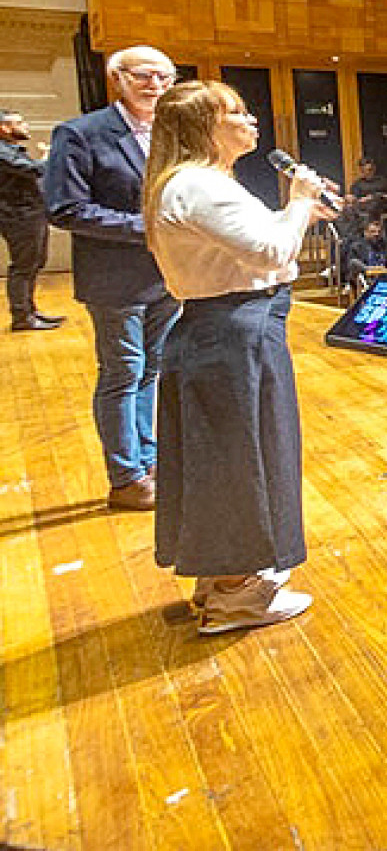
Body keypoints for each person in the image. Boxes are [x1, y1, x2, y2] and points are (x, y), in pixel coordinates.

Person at [144, 80, 331, 634]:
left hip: (221, 328)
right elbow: (272, 251)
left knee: (229, 456)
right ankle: (235, 596)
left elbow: (255, 244)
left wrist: (294, 217)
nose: (252, 121)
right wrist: (297, 204)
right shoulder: (200, 185)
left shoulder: (191, 183)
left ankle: (225, 580)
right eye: (237, 113)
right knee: (239, 458)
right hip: (233, 330)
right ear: (205, 127)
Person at [44, 46, 183, 510]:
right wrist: (146, 228)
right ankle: (126, 478)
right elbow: (66, 208)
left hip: (167, 275)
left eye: (165, 77)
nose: (157, 86)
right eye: (145, 76)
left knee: (153, 371)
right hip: (115, 278)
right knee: (123, 373)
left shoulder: (171, 133)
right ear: (117, 78)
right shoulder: (80, 134)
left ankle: (149, 460)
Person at [0, 109, 60, 330]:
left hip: (30, 212)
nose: (26, 126)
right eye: (20, 122)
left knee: (35, 262)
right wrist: (49, 156)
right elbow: (34, 170)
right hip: (18, 215)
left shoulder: (10, 149)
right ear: (4, 128)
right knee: (24, 266)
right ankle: (22, 316)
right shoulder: (2, 152)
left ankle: (30, 310)